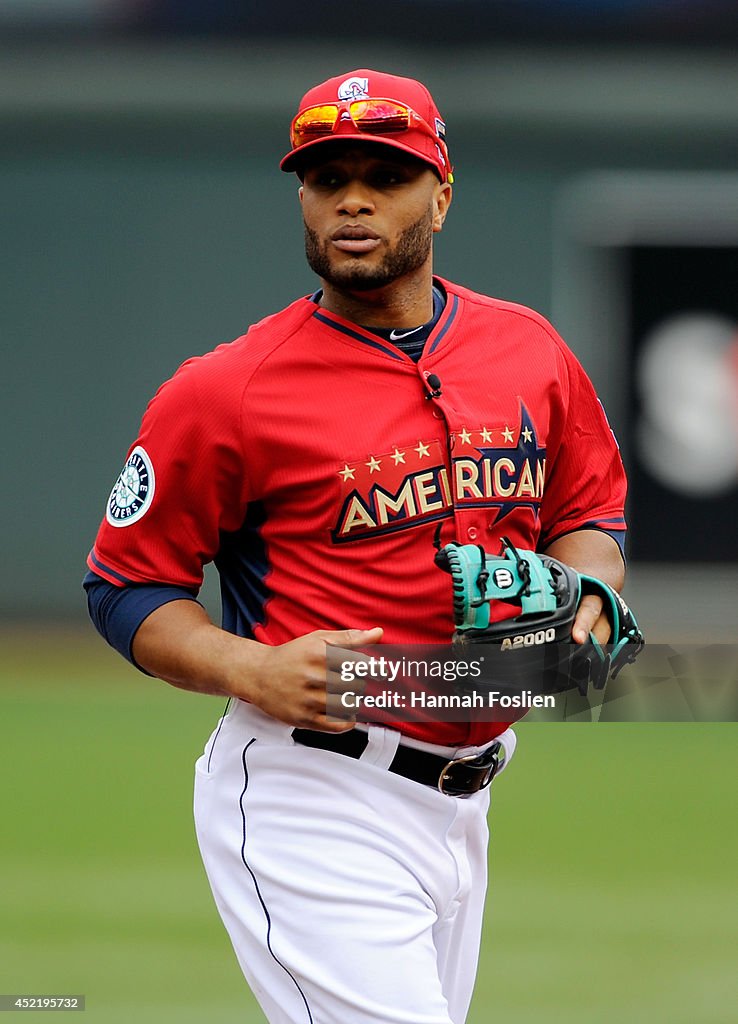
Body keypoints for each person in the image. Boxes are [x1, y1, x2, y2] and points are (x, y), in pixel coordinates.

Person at [84, 68, 628, 1024]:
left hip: (466, 796)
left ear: (442, 195)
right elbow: (125, 588)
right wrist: (247, 665)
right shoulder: (227, 390)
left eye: (386, 173)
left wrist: (580, 600)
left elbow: (587, 516)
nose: (353, 199)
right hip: (311, 791)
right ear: (302, 196)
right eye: (326, 177)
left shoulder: (529, 351)